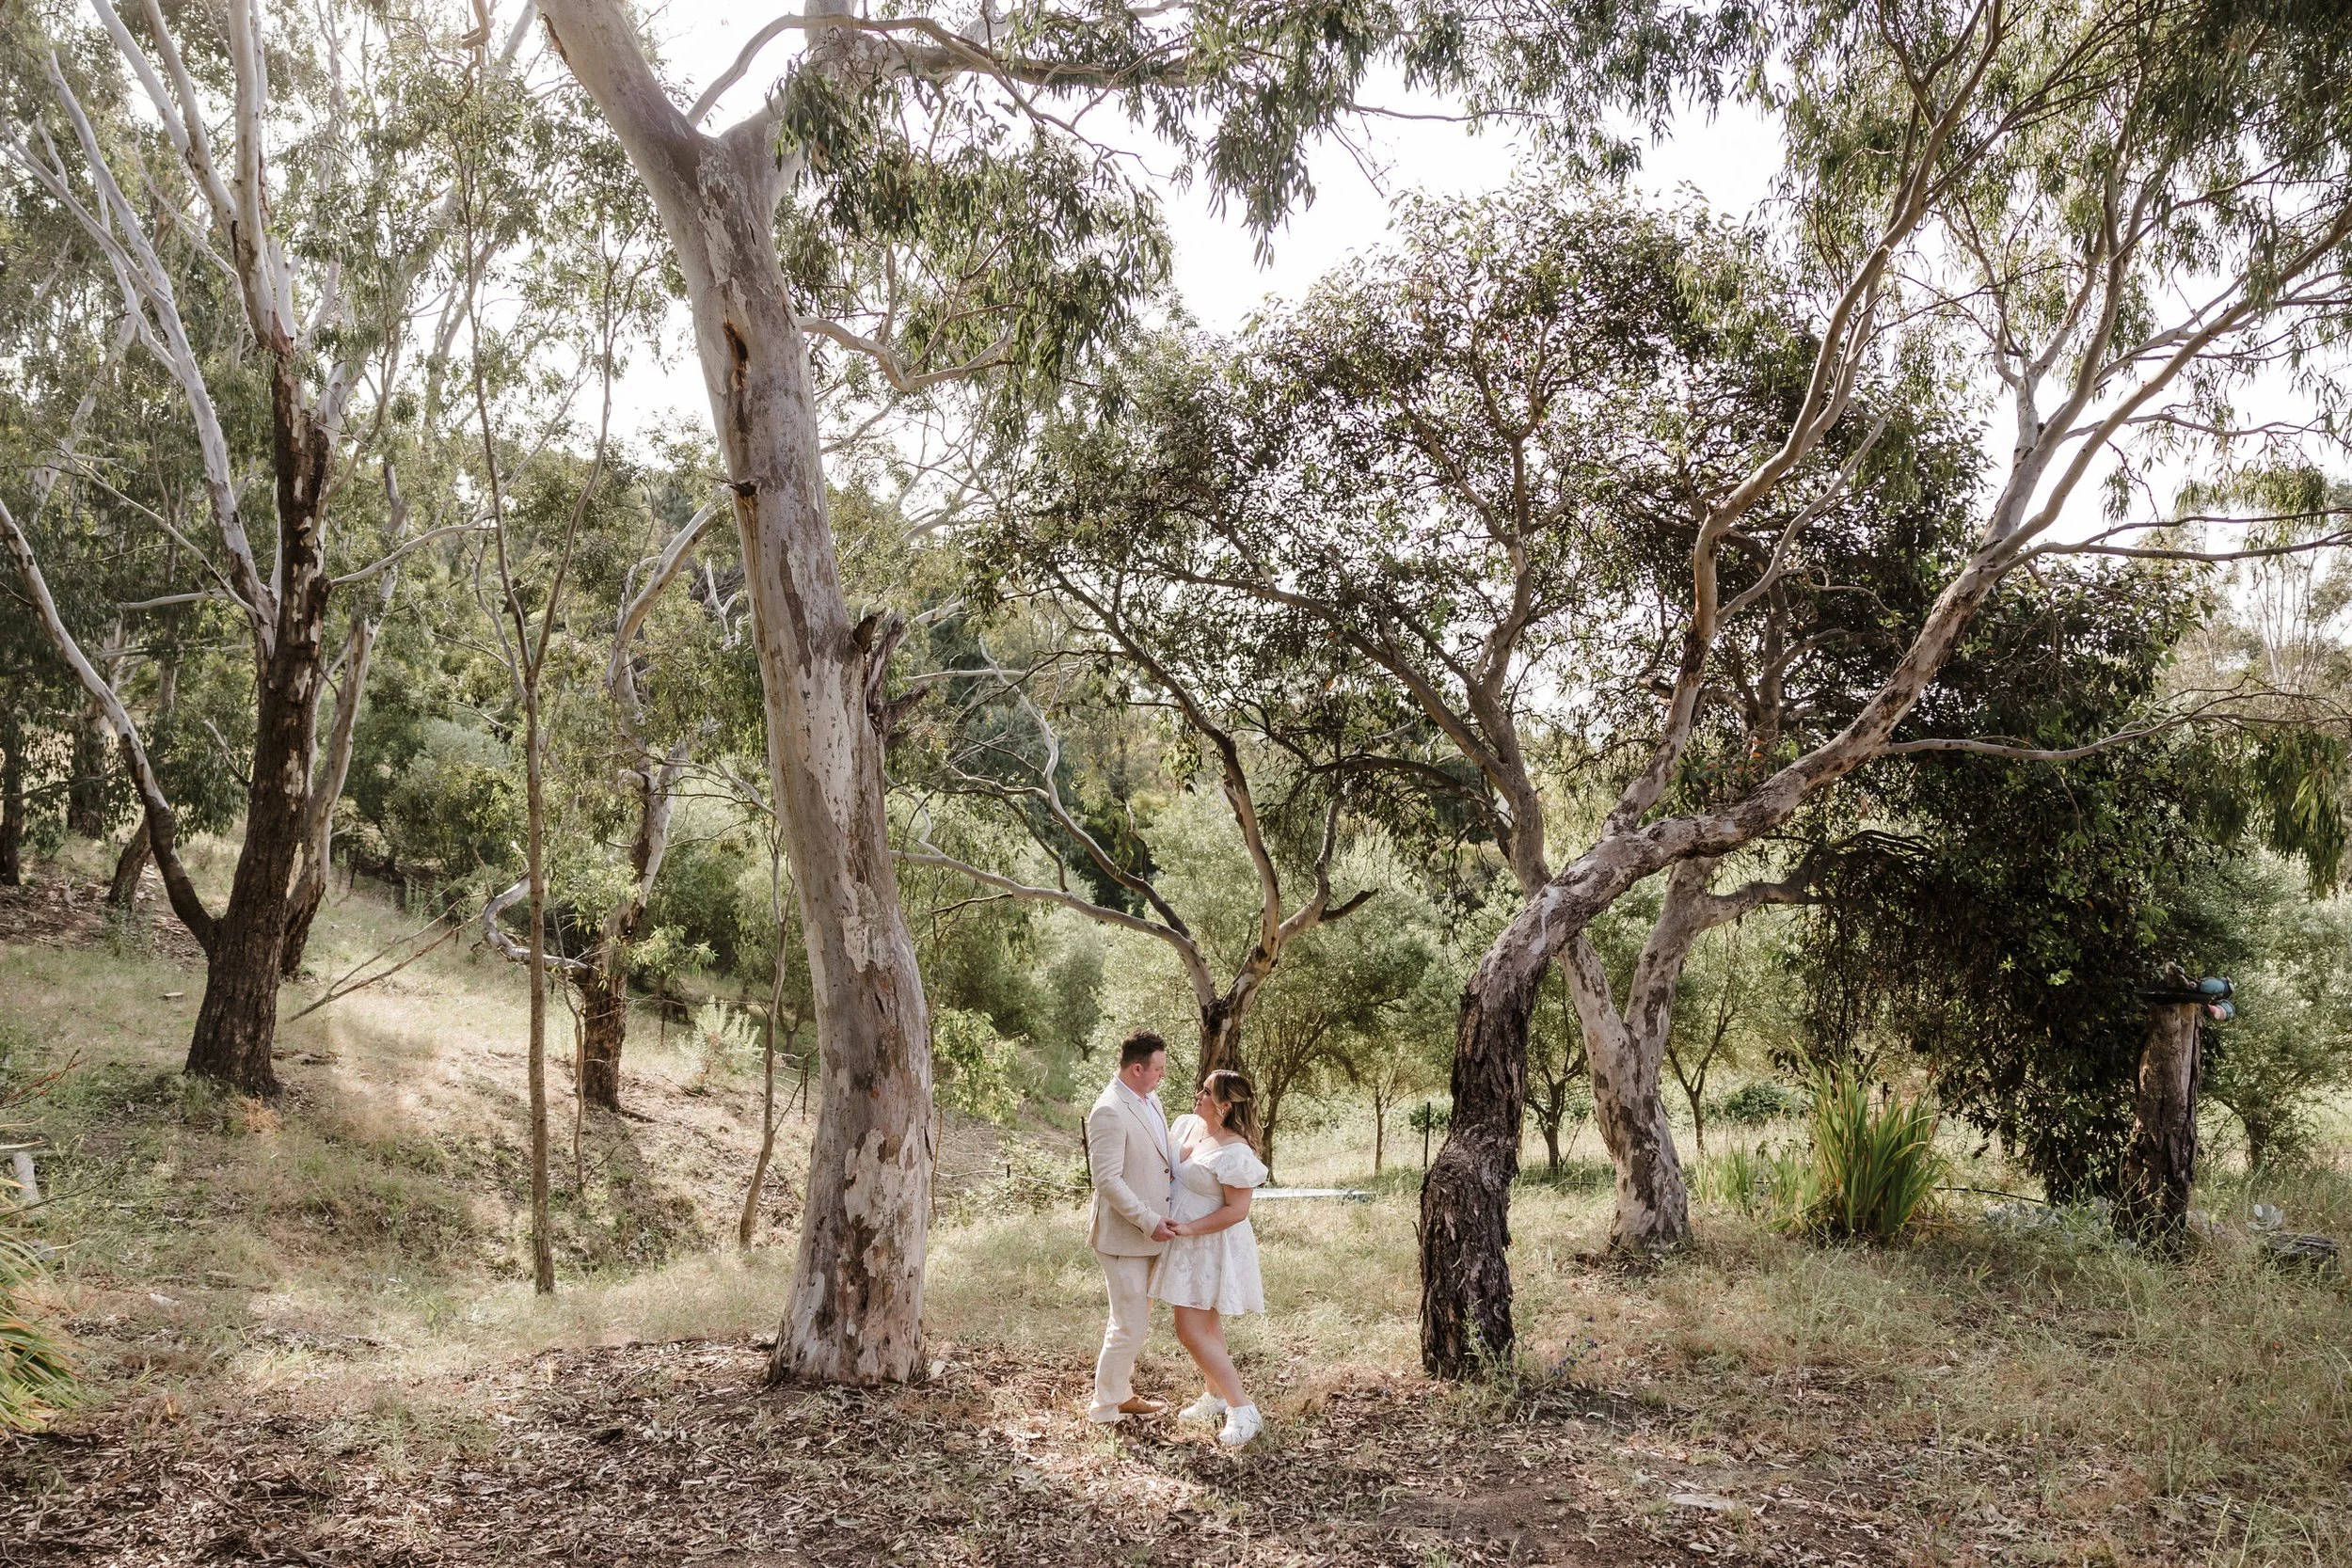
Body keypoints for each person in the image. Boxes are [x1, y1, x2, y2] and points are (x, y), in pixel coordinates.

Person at [1151, 1067, 1271, 1449]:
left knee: (1190, 1329)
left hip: (1209, 1244)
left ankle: (1243, 1408)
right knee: (1208, 1326)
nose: (1197, 1096)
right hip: (1185, 1242)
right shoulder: (1189, 1126)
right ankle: (1216, 1396)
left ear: (1223, 1106)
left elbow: (1237, 1211)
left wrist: (1188, 1228)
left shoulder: (1235, 1151)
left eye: (1205, 1092)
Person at [1084, 1030, 1178, 1424]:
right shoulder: (1108, 1110)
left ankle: (1120, 1394)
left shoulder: (1150, 1099)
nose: (1161, 1076)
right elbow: (1107, 1180)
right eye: (1157, 1069)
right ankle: (1104, 1410)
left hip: (1153, 1237)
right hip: (1125, 1237)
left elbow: (1162, 1157)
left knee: (1131, 1322)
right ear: (1137, 1068)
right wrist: (1148, 1220)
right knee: (1129, 1327)